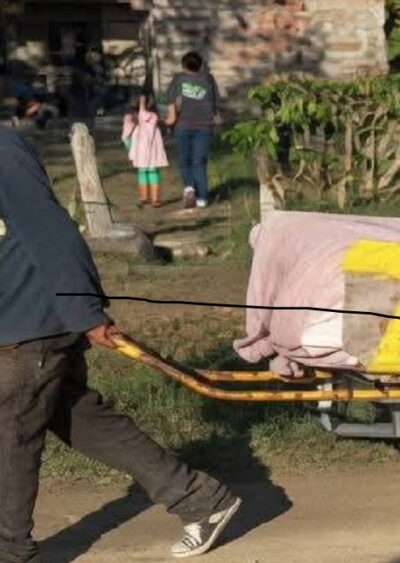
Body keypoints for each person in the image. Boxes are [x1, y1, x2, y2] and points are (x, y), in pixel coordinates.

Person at [0, 126, 241, 561]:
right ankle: (201, 500)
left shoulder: (1, 151)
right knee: (79, 418)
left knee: (10, 438)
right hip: (16, 318)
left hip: (31, 325)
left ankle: (10, 551)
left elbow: (52, 232)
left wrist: (85, 312)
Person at [165, 52, 221, 210]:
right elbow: (216, 106)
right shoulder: (209, 79)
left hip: (183, 126)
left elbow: (170, 103)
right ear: (201, 65)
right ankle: (202, 199)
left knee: (184, 161)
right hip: (204, 127)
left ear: (183, 65)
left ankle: (189, 188)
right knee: (199, 162)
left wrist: (169, 121)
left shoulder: (178, 79)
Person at [122, 91, 169, 207]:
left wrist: (130, 148)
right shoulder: (153, 117)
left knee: (143, 172)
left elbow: (125, 136)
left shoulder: (135, 117)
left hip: (141, 151)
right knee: (152, 172)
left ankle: (145, 198)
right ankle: (154, 199)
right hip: (151, 150)